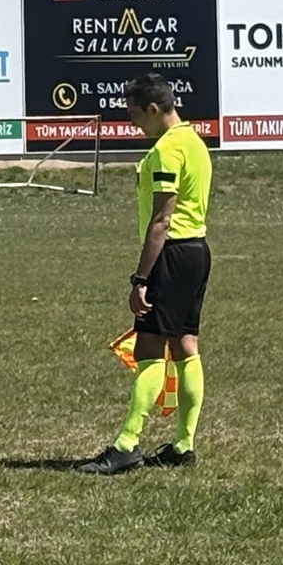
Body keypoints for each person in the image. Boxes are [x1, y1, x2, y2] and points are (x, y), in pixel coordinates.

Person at [79, 72, 213, 475]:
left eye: (135, 114)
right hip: (197, 251)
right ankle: (183, 444)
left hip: (171, 254)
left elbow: (161, 220)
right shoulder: (195, 141)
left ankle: (126, 445)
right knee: (186, 344)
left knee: (149, 347)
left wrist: (140, 279)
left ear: (154, 108)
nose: (133, 122)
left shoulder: (166, 152)